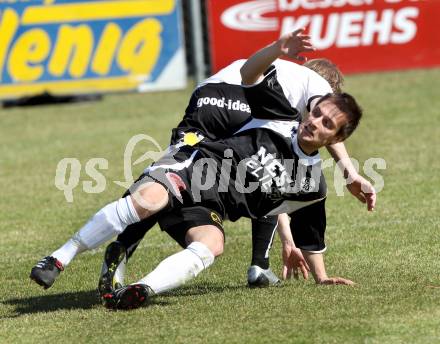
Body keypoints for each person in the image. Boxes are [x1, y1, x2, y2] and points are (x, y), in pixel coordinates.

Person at [29, 30, 375, 301]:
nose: (317, 119)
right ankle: (257, 264)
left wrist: (311, 261)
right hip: (227, 101)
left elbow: (285, 193)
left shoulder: (302, 144)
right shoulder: (297, 103)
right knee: (168, 186)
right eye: (320, 111)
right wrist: (349, 170)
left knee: (203, 202)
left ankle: (131, 274)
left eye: (328, 121)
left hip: (212, 120)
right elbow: (264, 87)